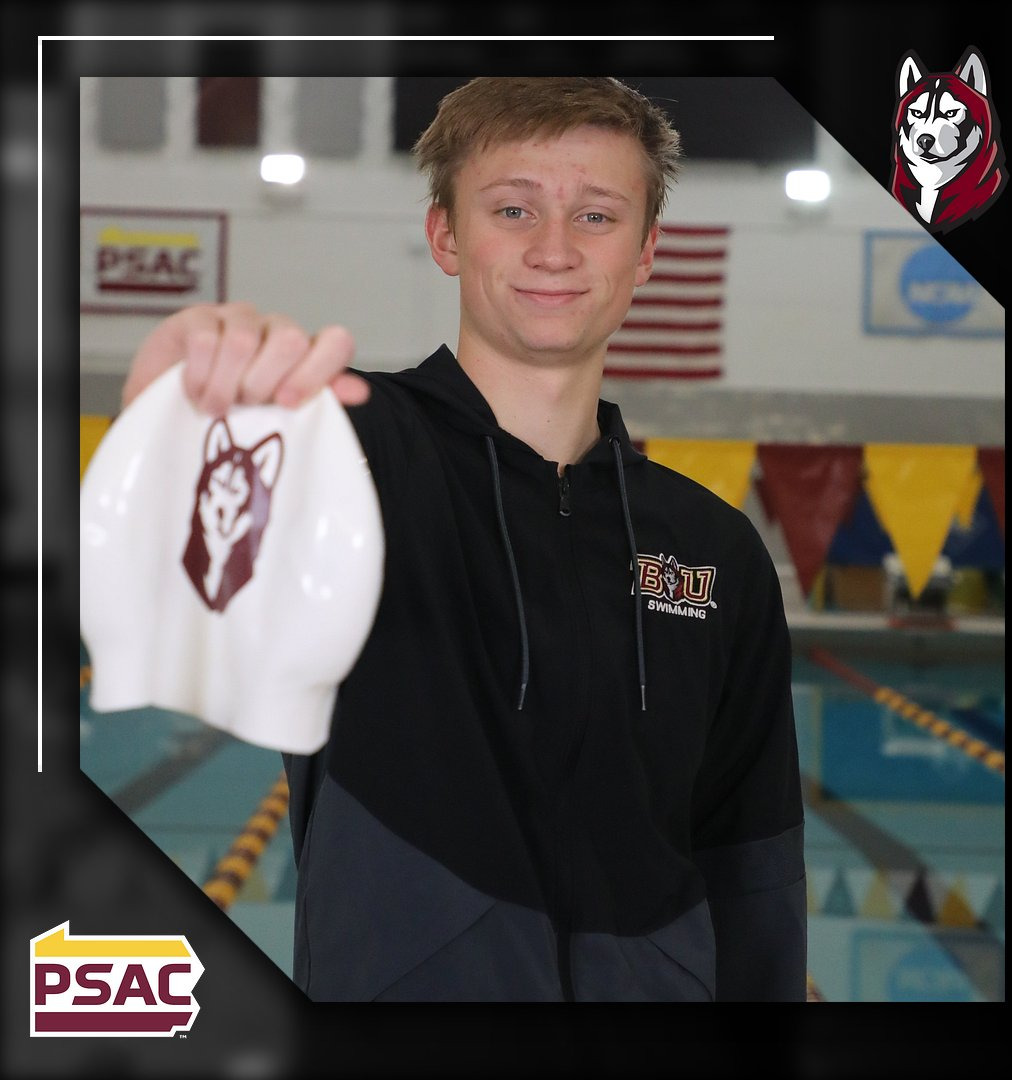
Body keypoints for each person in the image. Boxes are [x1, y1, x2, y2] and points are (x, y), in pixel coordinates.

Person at [120, 78, 805, 1001]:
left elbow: (752, 858)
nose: (554, 248)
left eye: (597, 215)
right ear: (446, 235)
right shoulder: (348, 455)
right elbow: (187, 576)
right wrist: (176, 439)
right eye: (513, 209)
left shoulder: (714, 548)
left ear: (646, 251)